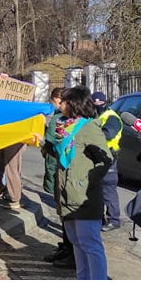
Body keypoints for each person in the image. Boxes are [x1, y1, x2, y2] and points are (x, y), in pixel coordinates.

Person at [54, 85, 112, 280]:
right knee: (77, 242)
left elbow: (105, 159)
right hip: (67, 194)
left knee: (90, 244)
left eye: (64, 101)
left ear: (74, 104)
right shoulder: (66, 127)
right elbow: (67, 156)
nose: (60, 104)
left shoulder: (88, 128)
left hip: (84, 196)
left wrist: (87, 181)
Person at [40, 87, 75, 268]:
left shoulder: (66, 121)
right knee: (63, 213)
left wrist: (44, 145)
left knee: (68, 214)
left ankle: (71, 252)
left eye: (62, 102)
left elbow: (55, 145)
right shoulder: (60, 119)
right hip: (62, 172)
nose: (60, 104)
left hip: (68, 175)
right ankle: (66, 247)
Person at [91, 91, 123, 232]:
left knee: (108, 189)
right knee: (96, 189)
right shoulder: (94, 116)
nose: (98, 104)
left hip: (108, 156)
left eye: (100, 102)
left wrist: (91, 134)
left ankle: (114, 220)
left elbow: (108, 134)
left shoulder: (111, 117)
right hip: (96, 156)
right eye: (95, 102)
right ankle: (100, 218)